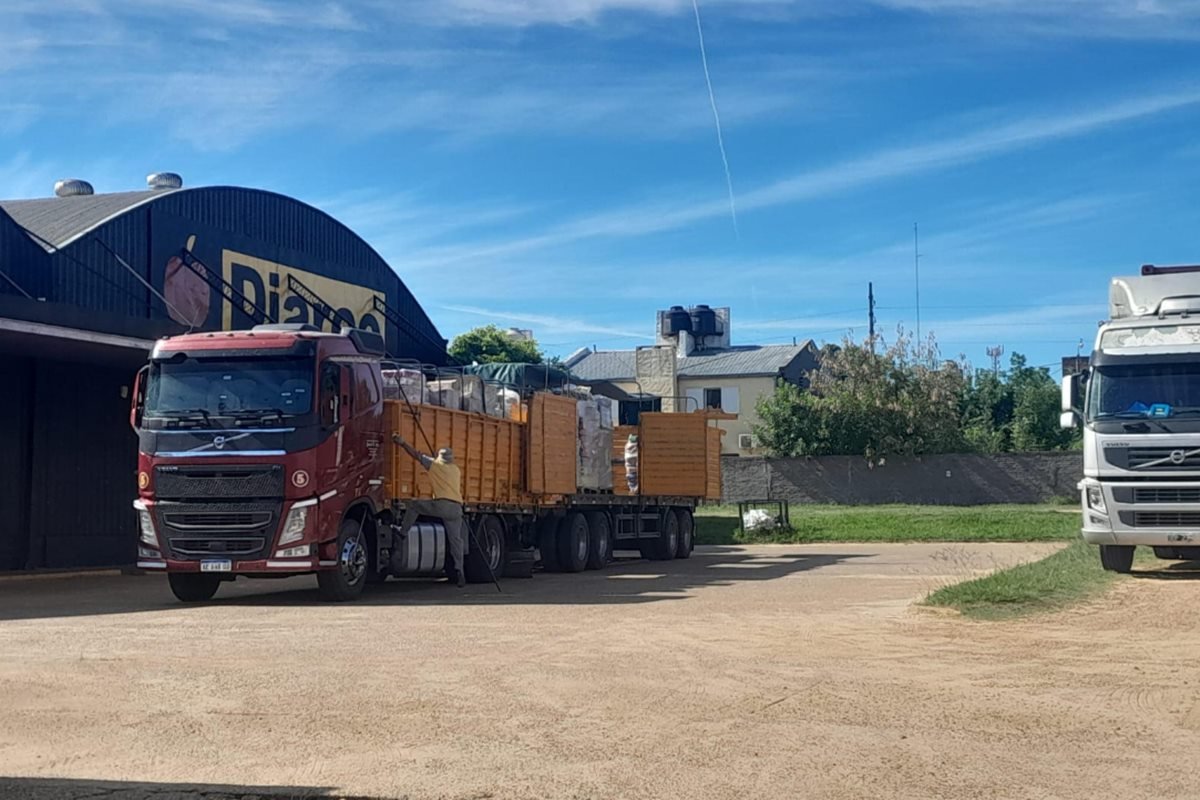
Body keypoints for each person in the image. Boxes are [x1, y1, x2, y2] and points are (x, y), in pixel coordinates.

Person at [393, 434, 467, 587]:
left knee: (414, 506)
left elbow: (416, 455)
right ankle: (460, 571)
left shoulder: (434, 465)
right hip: (456, 508)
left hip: (442, 505)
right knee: (456, 542)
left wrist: (402, 442)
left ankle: (403, 533)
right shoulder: (456, 469)